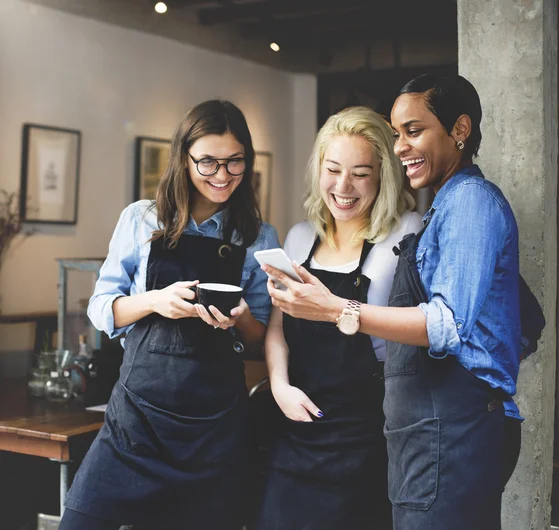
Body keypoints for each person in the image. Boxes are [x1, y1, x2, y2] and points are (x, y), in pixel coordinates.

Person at [262, 74, 523, 530]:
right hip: (408, 424)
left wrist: (336, 309)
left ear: (459, 130)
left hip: (447, 422)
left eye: (413, 131)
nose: (402, 146)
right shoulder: (447, 205)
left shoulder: (466, 206)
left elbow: (445, 325)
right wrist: (280, 382)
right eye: (398, 134)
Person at [59, 100, 279, 530]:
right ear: (183, 158)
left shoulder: (256, 235)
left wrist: (240, 317)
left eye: (235, 163)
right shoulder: (142, 219)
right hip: (137, 423)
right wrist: (155, 301)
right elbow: (102, 308)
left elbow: (259, 337)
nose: (222, 176)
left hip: (214, 430)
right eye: (208, 162)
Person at [256, 106, 422, 530]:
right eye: (332, 169)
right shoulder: (298, 237)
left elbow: (420, 327)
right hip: (294, 422)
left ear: (384, 175)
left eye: (361, 173)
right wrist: (279, 387)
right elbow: (279, 329)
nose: (343, 186)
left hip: (367, 432)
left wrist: (341, 310)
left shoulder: (405, 233)